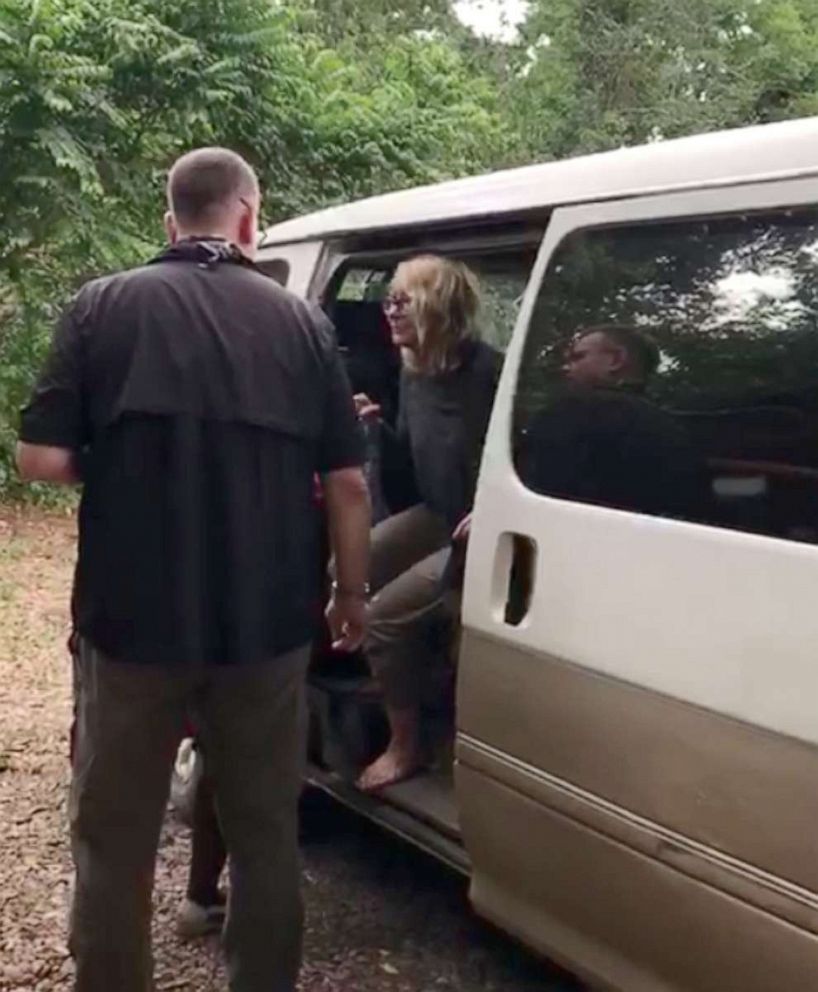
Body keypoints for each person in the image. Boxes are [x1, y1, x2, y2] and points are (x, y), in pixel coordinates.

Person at [17, 147, 370, 992]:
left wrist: (129, 465)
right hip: (268, 627)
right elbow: (349, 483)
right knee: (263, 834)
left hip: (131, 624)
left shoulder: (103, 305)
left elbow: (38, 457)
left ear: (170, 221)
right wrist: (348, 594)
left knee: (113, 837)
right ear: (250, 217)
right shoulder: (302, 324)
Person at [354, 255, 500, 792]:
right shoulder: (413, 370)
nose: (388, 312)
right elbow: (418, 460)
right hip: (439, 511)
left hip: (478, 524)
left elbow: (520, 456)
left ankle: (405, 744)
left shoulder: (489, 373)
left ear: (439, 308)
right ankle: (396, 679)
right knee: (346, 566)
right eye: (388, 299)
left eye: (402, 300)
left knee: (382, 618)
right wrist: (380, 429)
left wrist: (492, 510)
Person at [519, 324, 706, 519]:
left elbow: (536, 486)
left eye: (578, 357)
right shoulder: (672, 427)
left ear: (616, 360)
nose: (566, 367)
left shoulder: (575, 411)